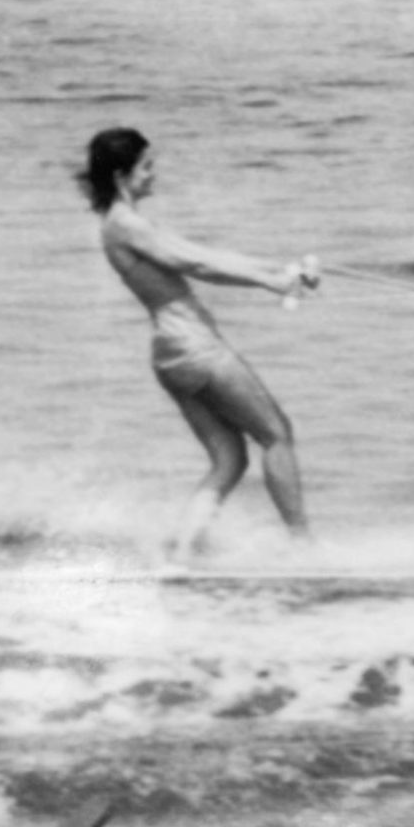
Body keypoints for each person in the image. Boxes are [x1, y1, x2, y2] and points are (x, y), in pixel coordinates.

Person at [81, 127, 319, 560]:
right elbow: (192, 264)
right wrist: (271, 283)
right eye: (146, 166)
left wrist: (282, 270)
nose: (153, 174)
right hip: (196, 349)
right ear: (121, 175)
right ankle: (305, 548)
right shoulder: (126, 224)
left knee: (229, 459)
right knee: (277, 434)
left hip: (172, 357)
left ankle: (182, 557)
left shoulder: (122, 224)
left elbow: (205, 253)